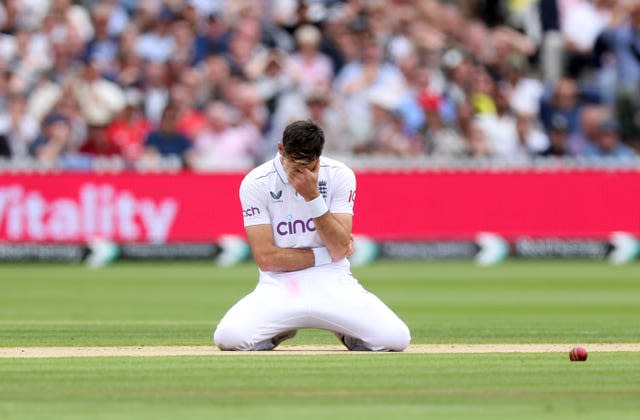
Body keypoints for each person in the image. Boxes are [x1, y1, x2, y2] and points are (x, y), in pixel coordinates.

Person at [213, 120, 411, 352]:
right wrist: (325, 255)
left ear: (318, 158)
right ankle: (279, 331)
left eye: (307, 165)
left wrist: (313, 197)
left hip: (333, 280)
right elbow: (267, 258)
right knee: (229, 338)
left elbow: (339, 247)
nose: (299, 173)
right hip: (280, 283)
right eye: (293, 164)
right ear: (280, 150)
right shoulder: (256, 182)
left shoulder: (339, 175)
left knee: (396, 339)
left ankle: (347, 334)